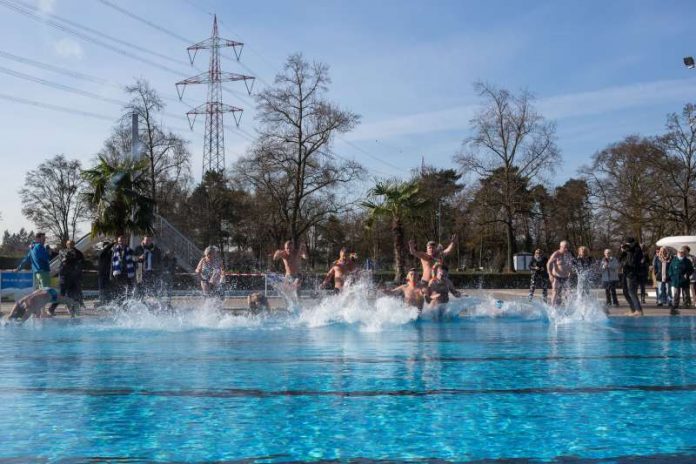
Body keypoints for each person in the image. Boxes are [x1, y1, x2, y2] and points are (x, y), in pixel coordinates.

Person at [5, 287, 79, 323]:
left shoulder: (30, 308)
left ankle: (75, 305)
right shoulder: (24, 301)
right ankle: (74, 307)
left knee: (65, 300)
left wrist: (20, 323)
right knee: (67, 300)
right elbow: (17, 303)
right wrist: (10, 315)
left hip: (49, 295)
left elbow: (25, 317)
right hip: (43, 290)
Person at [620, 237, 644, 316]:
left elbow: (631, 262)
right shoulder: (629, 250)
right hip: (627, 272)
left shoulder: (636, 249)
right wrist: (623, 252)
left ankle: (638, 310)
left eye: (627, 244)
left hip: (632, 273)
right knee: (625, 292)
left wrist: (627, 250)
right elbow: (621, 260)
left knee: (632, 292)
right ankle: (633, 309)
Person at [547, 241, 573, 307]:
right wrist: (550, 274)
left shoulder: (569, 254)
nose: (566, 249)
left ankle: (568, 307)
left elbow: (570, 264)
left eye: (567, 247)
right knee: (555, 292)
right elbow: (548, 264)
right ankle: (552, 307)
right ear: (560, 247)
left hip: (566, 277)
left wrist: (570, 272)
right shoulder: (556, 254)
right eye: (565, 247)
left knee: (568, 292)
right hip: (557, 277)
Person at [58, 240, 84, 306]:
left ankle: (75, 306)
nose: (70, 245)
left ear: (74, 244)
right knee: (62, 292)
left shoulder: (78, 253)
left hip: (74, 276)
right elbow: (63, 259)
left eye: (72, 244)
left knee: (74, 292)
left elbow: (81, 263)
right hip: (64, 275)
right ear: (66, 245)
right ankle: (52, 308)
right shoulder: (62, 251)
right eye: (69, 244)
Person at [669, 246, 693, 316]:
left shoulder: (687, 261)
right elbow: (670, 270)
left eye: (682, 252)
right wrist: (672, 277)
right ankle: (675, 305)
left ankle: (687, 304)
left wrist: (687, 274)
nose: (681, 253)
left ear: (684, 253)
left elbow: (691, 270)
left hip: (685, 280)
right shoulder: (674, 260)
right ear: (677, 253)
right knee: (676, 294)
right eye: (679, 252)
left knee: (686, 293)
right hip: (676, 280)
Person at [111, 235, 135, 300]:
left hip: (127, 272)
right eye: (119, 241)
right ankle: (119, 302)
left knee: (129, 288)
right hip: (118, 272)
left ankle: (128, 302)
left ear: (126, 241)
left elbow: (135, 260)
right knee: (119, 289)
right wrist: (112, 274)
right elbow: (112, 263)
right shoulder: (114, 251)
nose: (121, 242)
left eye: (122, 241)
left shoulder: (130, 250)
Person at [96, 240, 115, 305]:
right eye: (107, 246)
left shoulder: (111, 253)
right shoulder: (101, 252)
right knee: (102, 288)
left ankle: (108, 302)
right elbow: (105, 249)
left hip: (109, 274)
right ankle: (102, 301)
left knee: (109, 288)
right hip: (102, 274)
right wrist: (112, 243)